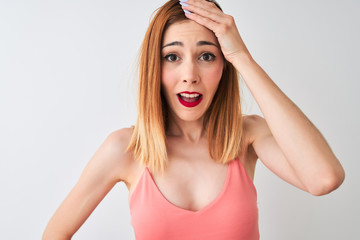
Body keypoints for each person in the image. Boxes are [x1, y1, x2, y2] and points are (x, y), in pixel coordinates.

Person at [42, 0, 345, 239]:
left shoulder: (247, 135)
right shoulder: (126, 148)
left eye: (206, 56)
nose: (190, 76)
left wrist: (241, 57)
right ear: (155, 69)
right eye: (172, 57)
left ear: (223, 66)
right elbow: (56, 233)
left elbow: (324, 179)